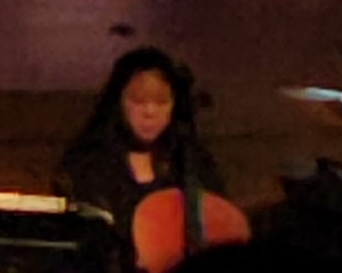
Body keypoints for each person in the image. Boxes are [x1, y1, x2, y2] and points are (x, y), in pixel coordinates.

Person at [55, 49, 232, 241]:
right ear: (118, 102)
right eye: (138, 101)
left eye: (161, 102)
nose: (150, 111)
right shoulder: (88, 161)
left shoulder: (192, 161)